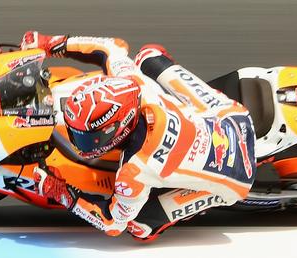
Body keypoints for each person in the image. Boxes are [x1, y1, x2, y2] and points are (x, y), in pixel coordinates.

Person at [21, 31, 256, 241]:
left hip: (236, 176)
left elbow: (113, 224)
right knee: (148, 55)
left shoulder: (134, 171)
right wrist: (51, 44)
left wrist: (63, 194)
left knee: (138, 226)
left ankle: (205, 197)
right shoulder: (131, 82)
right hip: (231, 116)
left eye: (87, 137)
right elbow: (111, 47)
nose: (78, 141)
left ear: (118, 129)